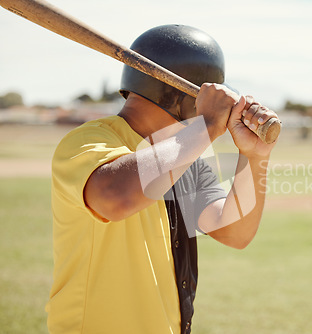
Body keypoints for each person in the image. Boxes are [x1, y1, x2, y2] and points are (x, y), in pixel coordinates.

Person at [46, 25, 278, 334]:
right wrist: (207, 125)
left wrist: (255, 156)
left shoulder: (184, 158)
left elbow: (234, 233)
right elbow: (116, 198)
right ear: (186, 99)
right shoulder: (88, 140)